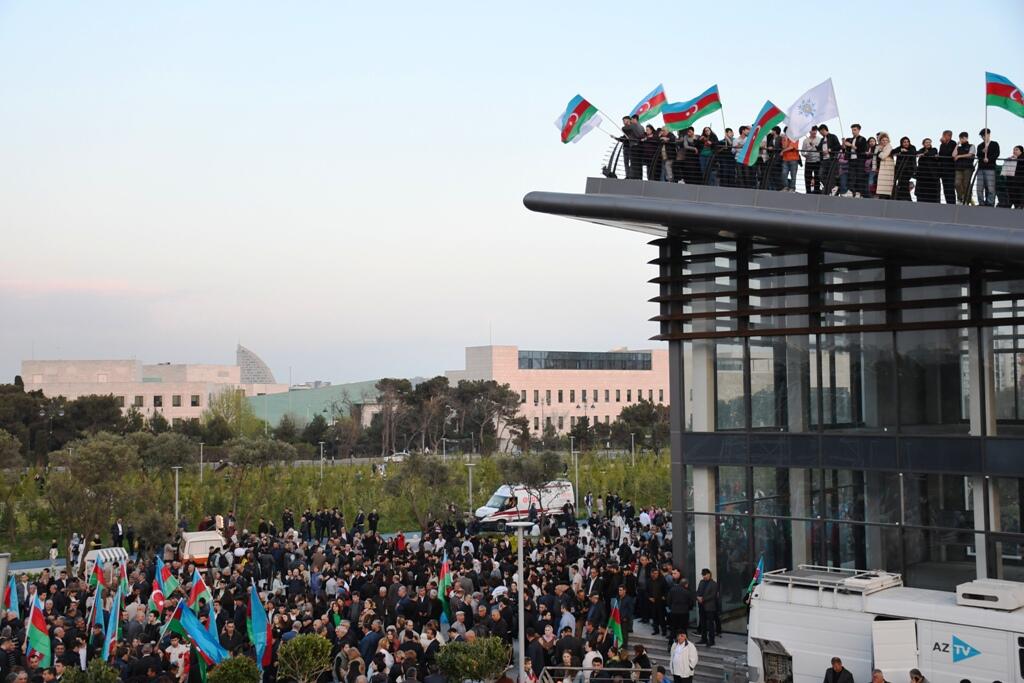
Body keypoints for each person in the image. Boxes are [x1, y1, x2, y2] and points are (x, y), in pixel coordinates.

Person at [977, 128, 1001, 206]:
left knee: (990, 188)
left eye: (984, 135)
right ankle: (981, 203)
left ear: (989, 134)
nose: (983, 137)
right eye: (982, 136)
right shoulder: (980, 146)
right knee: (979, 188)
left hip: (990, 168)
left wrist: (989, 159)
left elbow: (997, 154)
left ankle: (990, 203)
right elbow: (978, 155)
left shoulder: (994, 144)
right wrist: (982, 151)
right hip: (981, 168)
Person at [844, 124, 869, 197]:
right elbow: (845, 149)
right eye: (852, 130)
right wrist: (845, 144)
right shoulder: (849, 139)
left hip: (859, 160)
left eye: (855, 130)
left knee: (859, 176)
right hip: (851, 160)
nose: (853, 131)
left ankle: (858, 192)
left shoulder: (862, 139)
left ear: (859, 130)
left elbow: (862, 150)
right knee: (851, 176)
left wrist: (851, 145)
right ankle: (851, 191)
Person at [816, 124, 841, 195]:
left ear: (824, 130)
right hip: (824, 160)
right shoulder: (822, 139)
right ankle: (829, 187)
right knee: (820, 175)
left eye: (821, 132)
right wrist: (815, 146)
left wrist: (830, 150)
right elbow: (819, 149)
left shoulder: (833, 136)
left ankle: (832, 188)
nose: (820, 134)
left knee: (832, 175)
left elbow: (838, 146)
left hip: (831, 159)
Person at [695, 569, 717, 647]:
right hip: (701, 606)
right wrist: (697, 597)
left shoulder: (713, 584)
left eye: (705, 575)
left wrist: (703, 599)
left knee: (710, 624)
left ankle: (711, 640)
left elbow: (713, 595)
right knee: (703, 623)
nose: (704, 576)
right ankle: (703, 639)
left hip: (709, 607)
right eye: (703, 575)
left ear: (709, 574)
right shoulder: (701, 582)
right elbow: (698, 591)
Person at [953, 131, 976, 204]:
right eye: (960, 138)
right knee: (957, 183)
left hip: (968, 168)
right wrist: (957, 145)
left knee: (966, 184)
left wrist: (959, 156)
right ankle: (960, 198)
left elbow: (970, 154)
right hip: (958, 168)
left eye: (963, 138)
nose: (962, 139)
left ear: (967, 138)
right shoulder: (959, 148)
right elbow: (953, 155)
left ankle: (967, 200)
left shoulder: (971, 146)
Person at [916, 138, 940, 203]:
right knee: (922, 193)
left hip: (932, 176)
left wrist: (923, 154)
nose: (928, 143)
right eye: (926, 142)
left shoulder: (934, 149)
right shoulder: (921, 150)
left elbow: (932, 153)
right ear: (923, 144)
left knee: (932, 193)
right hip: (922, 176)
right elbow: (917, 154)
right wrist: (922, 154)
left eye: (929, 142)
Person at [893, 137, 917, 201]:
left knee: (904, 184)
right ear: (901, 143)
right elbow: (892, 151)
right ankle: (903, 199)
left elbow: (913, 153)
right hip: (900, 170)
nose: (906, 143)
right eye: (904, 142)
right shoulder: (900, 148)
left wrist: (903, 152)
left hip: (908, 170)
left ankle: (906, 200)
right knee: (902, 185)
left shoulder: (912, 147)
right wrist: (900, 150)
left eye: (907, 142)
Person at [937, 129, 957, 203]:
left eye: (944, 135)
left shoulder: (953, 143)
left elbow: (949, 153)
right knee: (945, 188)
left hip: (950, 169)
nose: (943, 137)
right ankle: (948, 202)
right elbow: (941, 154)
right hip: (943, 170)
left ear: (949, 136)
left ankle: (952, 203)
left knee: (950, 187)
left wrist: (944, 143)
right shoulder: (942, 145)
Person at [875, 133, 896, 200]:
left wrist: (879, 152)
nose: (884, 141)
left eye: (886, 140)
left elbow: (883, 156)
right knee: (882, 185)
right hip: (882, 168)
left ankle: (885, 198)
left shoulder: (889, 147)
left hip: (887, 168)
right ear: (880, 141)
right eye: (883, 140)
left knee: (886, 185)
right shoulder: (879, 147)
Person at [802, 127, 821, 193]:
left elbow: (821, 149)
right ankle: (808, 191)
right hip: (808, 161)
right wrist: (807, 154)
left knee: (817, 177)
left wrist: (814, 145)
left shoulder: (819, 139)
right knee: (807, 177)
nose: (814, 132)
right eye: (813, 130)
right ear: (809, 131)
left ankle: (817, 191)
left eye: (815, 131)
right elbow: (802, 152)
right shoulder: (805, 140)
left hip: (817, 161)